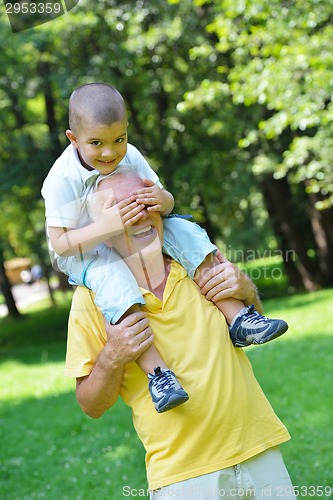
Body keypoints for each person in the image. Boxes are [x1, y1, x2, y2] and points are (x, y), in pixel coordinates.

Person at [42, 82, 288, 413]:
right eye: (96, 143)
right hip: (85, 249)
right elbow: (60, 244)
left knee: (185, 230)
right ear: (73, 139)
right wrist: (108, 226)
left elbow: (166, 201)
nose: (110, 152)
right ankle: (159, 375)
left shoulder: (130, 155)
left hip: (129, 224)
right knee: (114, 283)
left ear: (126, 130)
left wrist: (162, 199)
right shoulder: (61, 179)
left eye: (119, 139)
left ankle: (239, 318)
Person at [65, 170, 296, 499]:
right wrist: (112, 357)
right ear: (102, 233)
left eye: (146, 202)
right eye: (124, 210)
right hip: (183, 477)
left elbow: (246, 329)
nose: (142, 214)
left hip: (259, 448)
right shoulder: (91, 299)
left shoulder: (199, 261)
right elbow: (90, 404)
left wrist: (247, 290)